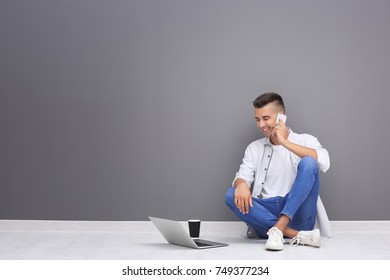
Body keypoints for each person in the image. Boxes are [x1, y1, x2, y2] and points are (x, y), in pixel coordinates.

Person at [225, 92, 330, 251]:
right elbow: (242, 177)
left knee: (309, 161)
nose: (261, 125)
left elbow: (324, 160)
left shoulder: (305, 140)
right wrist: (241, 184)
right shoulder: (254, 148)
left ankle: (280, 227)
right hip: (265, 213)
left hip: (298, 213)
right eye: (257, 119)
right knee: (230, 194)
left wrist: (284, 142)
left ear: (281, 117)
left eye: (265, 118)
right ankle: (296, 235)